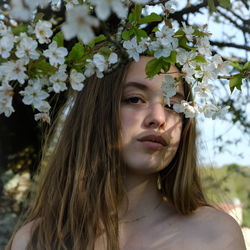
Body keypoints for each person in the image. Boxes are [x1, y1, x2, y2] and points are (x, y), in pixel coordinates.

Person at [7, 56, 246, 250]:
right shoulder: (37, 241)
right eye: (134, 99)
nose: (159, 118)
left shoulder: (214, 236)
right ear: (96, 111)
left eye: (173, 105)